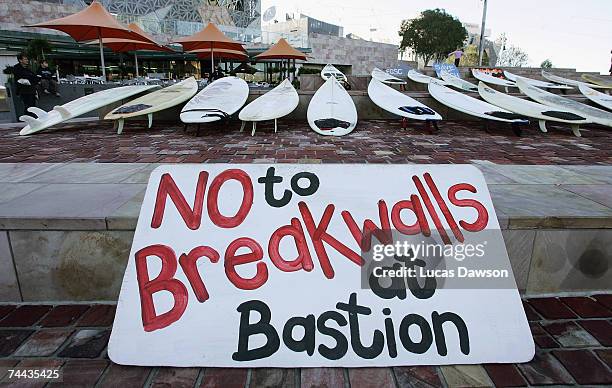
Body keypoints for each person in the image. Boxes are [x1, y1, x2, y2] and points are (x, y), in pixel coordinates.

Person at [12, 53, 39, 117]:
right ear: (20, 60)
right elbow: (22, 75)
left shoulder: (27, 68)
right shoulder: (16, 68)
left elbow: (35, 77)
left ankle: (32, 117)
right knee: (28, 105)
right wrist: (30, 77)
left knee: (33, 105)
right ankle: (27, 118)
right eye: (25, 59)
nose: (27, 60)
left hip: (32, 89)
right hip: (23, 90)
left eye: (27, 59)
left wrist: (30, 77)